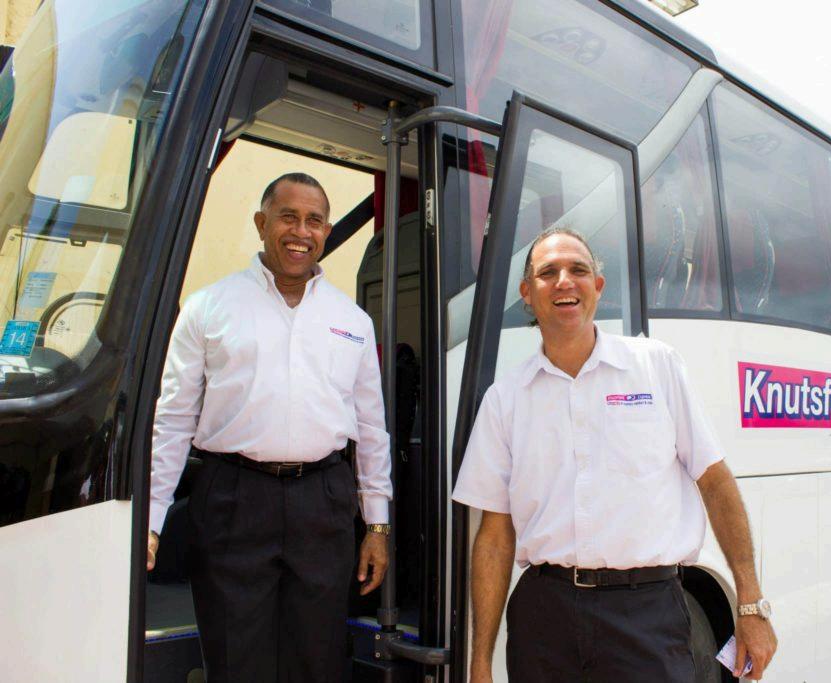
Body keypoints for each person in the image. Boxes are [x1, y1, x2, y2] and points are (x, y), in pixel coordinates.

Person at [453, 228, 778, 682]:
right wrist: (480, 662)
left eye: (578, 270)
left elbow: (715, 482)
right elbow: (494, 536)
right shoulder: (504, 399)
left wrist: (751, 604)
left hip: (646, 616)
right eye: (548, 272)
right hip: (543, 618)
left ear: (598, 287)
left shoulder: (656, 366)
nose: (564, 281)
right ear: (527, 293)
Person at [146, 172, 392, 683]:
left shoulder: (353, 320)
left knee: (318, 658)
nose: (301, 232)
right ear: (261, 224)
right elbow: (172, 420)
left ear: (326, 232)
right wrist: (150, 519)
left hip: (323, 501)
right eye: (288, 217)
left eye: (314, 220)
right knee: (235, 657)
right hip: (233, 498)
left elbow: (372, 428)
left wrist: (377, 525)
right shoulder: (209, 308)